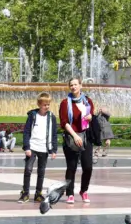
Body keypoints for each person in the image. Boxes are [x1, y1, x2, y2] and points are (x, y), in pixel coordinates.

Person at [59, 77, 95, 205]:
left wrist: (91, 117)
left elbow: (92, 116)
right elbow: (64, 122)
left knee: (88, 167)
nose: (73, 87)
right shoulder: (65, 103)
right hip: (71, 137)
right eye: (71, 85)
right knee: (71, 167)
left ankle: (84, 190)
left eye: (75, 84)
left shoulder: (88, 101)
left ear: (80, 85)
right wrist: (75, 136)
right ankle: (70, 194)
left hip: (86, 137)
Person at [18, 92, 57, 203]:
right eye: (45, 105)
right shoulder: (33, 115)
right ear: (39, 104)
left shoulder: (52, 117)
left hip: (44, 148)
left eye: (48, 104)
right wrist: (27, 147)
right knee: (28, 169)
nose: (47, 107)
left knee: (41, 172)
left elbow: (54, 134)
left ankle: (38, 194)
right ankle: (25, 193)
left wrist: (54, 150)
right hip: (32, 147)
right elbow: (26, 132)